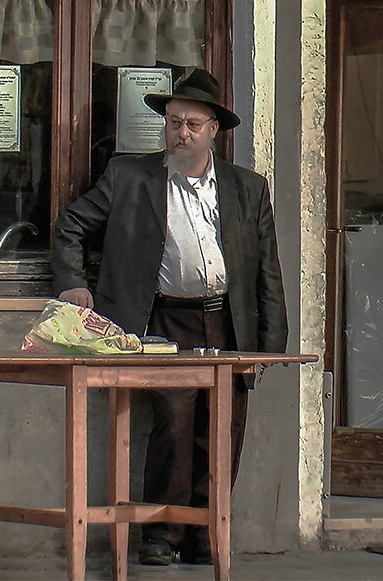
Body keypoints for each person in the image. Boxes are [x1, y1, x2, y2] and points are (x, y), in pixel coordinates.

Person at [51, 68, 288, 566]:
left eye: (193, 124)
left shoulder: (248, 188)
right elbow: (71, 225)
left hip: (227, 321)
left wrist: (270, 342)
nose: (182, 132)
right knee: (174, 424)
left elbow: (267, 267)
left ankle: (207, 535)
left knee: (223, 429)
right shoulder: (129, 176)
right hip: (162, 321)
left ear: (214, 131)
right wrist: (73, 281)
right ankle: (162, 535)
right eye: (175, 122)